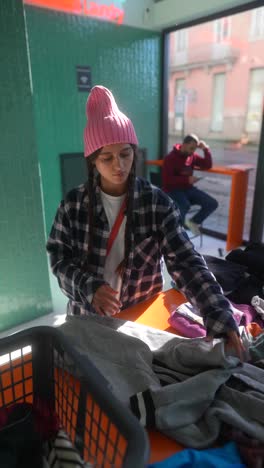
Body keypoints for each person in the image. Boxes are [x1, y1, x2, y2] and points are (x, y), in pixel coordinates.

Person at [46, 85, 244, 358]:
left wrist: (217, 313)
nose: (119, 166)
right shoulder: (73, 205)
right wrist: (88, 288)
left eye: (125, 154)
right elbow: (59, 259)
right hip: (86, 318)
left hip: (140, 317)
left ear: (134, 152)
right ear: (92, 162)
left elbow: (185, 262)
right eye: (107, 158)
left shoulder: (156, 204)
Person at [162, 134, 218, 235]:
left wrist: (205, 149)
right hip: (172, 190)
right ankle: (177, 234)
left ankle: (193, 222)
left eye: (195, 149)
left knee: (212, 203)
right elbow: (167, 180)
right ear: (184, 144)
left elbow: (207, 165)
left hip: (188, 189)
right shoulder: (170, 158)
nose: (193, 151)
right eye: (191, 148)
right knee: (184, 205)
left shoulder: (192, 156)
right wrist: (187, 180)